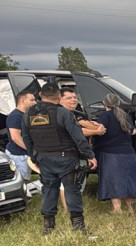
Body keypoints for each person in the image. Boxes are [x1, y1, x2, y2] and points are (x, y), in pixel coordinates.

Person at [22, 82, 97, 235]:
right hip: (65, 159)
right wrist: (90, 155)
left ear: (41, 95)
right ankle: (78, 228)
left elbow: (27, 138)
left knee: (49, 190)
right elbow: (78, 137)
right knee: (71, 190)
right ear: (58, 96)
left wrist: (33, 157)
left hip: (43, 158)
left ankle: (48, 228)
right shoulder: (63, 113)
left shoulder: (28, 115)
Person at [92, 93, 136, 213]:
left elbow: (99, 130)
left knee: (113, 180)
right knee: (128, 178)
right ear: (118, 103)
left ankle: (117, 208)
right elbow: (133, 131)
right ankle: (129, 208)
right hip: (128, 152)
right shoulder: (125, 115)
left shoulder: (105, 115)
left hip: (110, 153)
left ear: (104, 104)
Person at [58, 88, 104, 211]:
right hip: (68, 154)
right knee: (68, 183)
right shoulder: (62, 114)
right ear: (59, 99)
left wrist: (97, 126)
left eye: (74, 97)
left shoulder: (74, 113)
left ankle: (73, 207)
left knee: (77, 182)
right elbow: (77, 132)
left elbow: (84, 123)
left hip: (78, 154)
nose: (73, 100)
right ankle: (68, 209)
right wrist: (96, 131)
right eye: (69, 98)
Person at [5, 90, 36, 180]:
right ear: (23, 101)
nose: (35, 102)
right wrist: (31, 150)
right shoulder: (16, 116)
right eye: (32, 100)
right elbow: (15, 137)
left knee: (26, 177)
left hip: (23, 153)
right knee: (22, 180)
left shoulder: (25, 115)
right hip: (18, 155)